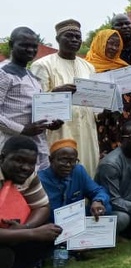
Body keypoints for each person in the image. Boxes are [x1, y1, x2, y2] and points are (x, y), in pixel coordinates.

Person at [31, 19, 101, 177]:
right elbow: (35, 101)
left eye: (78, 37)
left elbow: (95, 102)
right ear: (58, 39)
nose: (74, 40)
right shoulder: (43, 65)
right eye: (69, 36)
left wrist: (103, 111)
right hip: (59, 129)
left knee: (88, 169)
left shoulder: (88, 66)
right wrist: (56, 92)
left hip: (86, 129)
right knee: (60, 173)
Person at [0, 136, 62, 268]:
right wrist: (31, 233)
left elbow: (42, 206)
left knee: (42, 240)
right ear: (2, 158)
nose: (26, 168)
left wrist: (25, 227)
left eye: (31, 163)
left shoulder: (26, 175)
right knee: (4, 254)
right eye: (19, 160)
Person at [0, 27, 64, 170]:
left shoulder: (31, 76)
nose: (30, 50)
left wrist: (50, 122)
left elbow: (35, 111)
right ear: (11, 45)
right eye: (24, 45)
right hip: (13, 149)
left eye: (34, 46)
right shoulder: (3, 74)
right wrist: (22, 129)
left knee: (37, 182)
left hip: (37, 147)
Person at [85, 29, 131, 157]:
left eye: (117, 45)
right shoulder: (87, 67)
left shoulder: (123, 66)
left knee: (125, 156)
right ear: (100, 43)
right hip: (100, 121)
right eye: (110, 43)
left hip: (123, 121)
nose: (114, 48)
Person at [38, 139, 111, 222]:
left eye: (73, 161)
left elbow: (98, 191)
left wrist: (98, 201)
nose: (68, 165)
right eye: (63, 160)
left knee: (104, 208)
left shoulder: (78, 171)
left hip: (76, 218)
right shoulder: (40, 179)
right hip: (51, 222)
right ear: (51, 160)